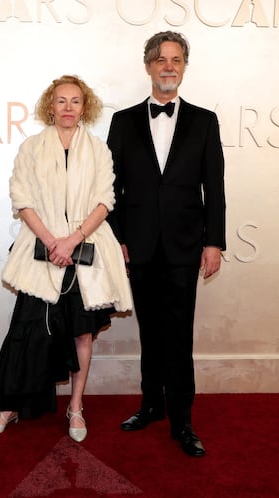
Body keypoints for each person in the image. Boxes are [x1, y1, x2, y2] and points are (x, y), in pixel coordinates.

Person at [0, 74, 132, 442]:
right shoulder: (32, 147)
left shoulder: (98, 150)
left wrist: (72, 240)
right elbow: (22, 197)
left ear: (86, 107)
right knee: (28, 330)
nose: (68, 108)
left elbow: (105, 199)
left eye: (75, 101)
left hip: (87, 253)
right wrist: (52, 241)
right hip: (40, 251)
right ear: (51, 105)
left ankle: (76, 407)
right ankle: (11, 406)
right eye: (61, 101)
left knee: (82, 333)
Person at [107, 31, 226, 457]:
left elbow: (214, 186)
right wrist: (118, 237)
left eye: (175, 59)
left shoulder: (205, 120)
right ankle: (151, 405)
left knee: (178, 335)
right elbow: (109, 188)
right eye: (160, 59)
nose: (168, 66)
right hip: (137, 246)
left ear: (184, 66)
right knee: (150, 332)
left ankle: (183, 420)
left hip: (184, 246)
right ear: (148, 66)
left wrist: (214, 243)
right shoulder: (122, 121)